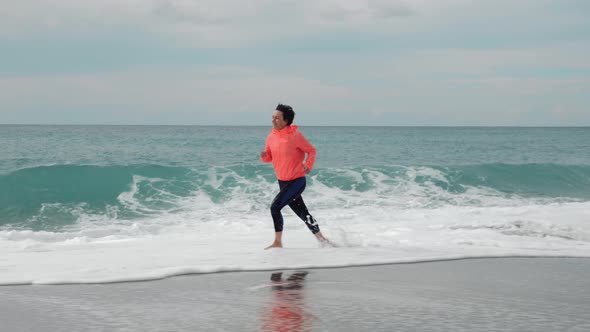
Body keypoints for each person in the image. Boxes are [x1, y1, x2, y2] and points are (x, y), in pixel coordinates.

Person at [260, 103, 331, 249]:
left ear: (286, 121)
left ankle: (277, 242)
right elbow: (270, 158)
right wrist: (264, 156)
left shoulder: (295, 136)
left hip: (297, 181)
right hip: (283, 182)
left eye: (277, 118)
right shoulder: (271, 137)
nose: (273, 120)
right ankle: (323, 240)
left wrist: (308, 165)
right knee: (303, 213)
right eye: (273, 117)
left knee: (275, 207)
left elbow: (311, 151)